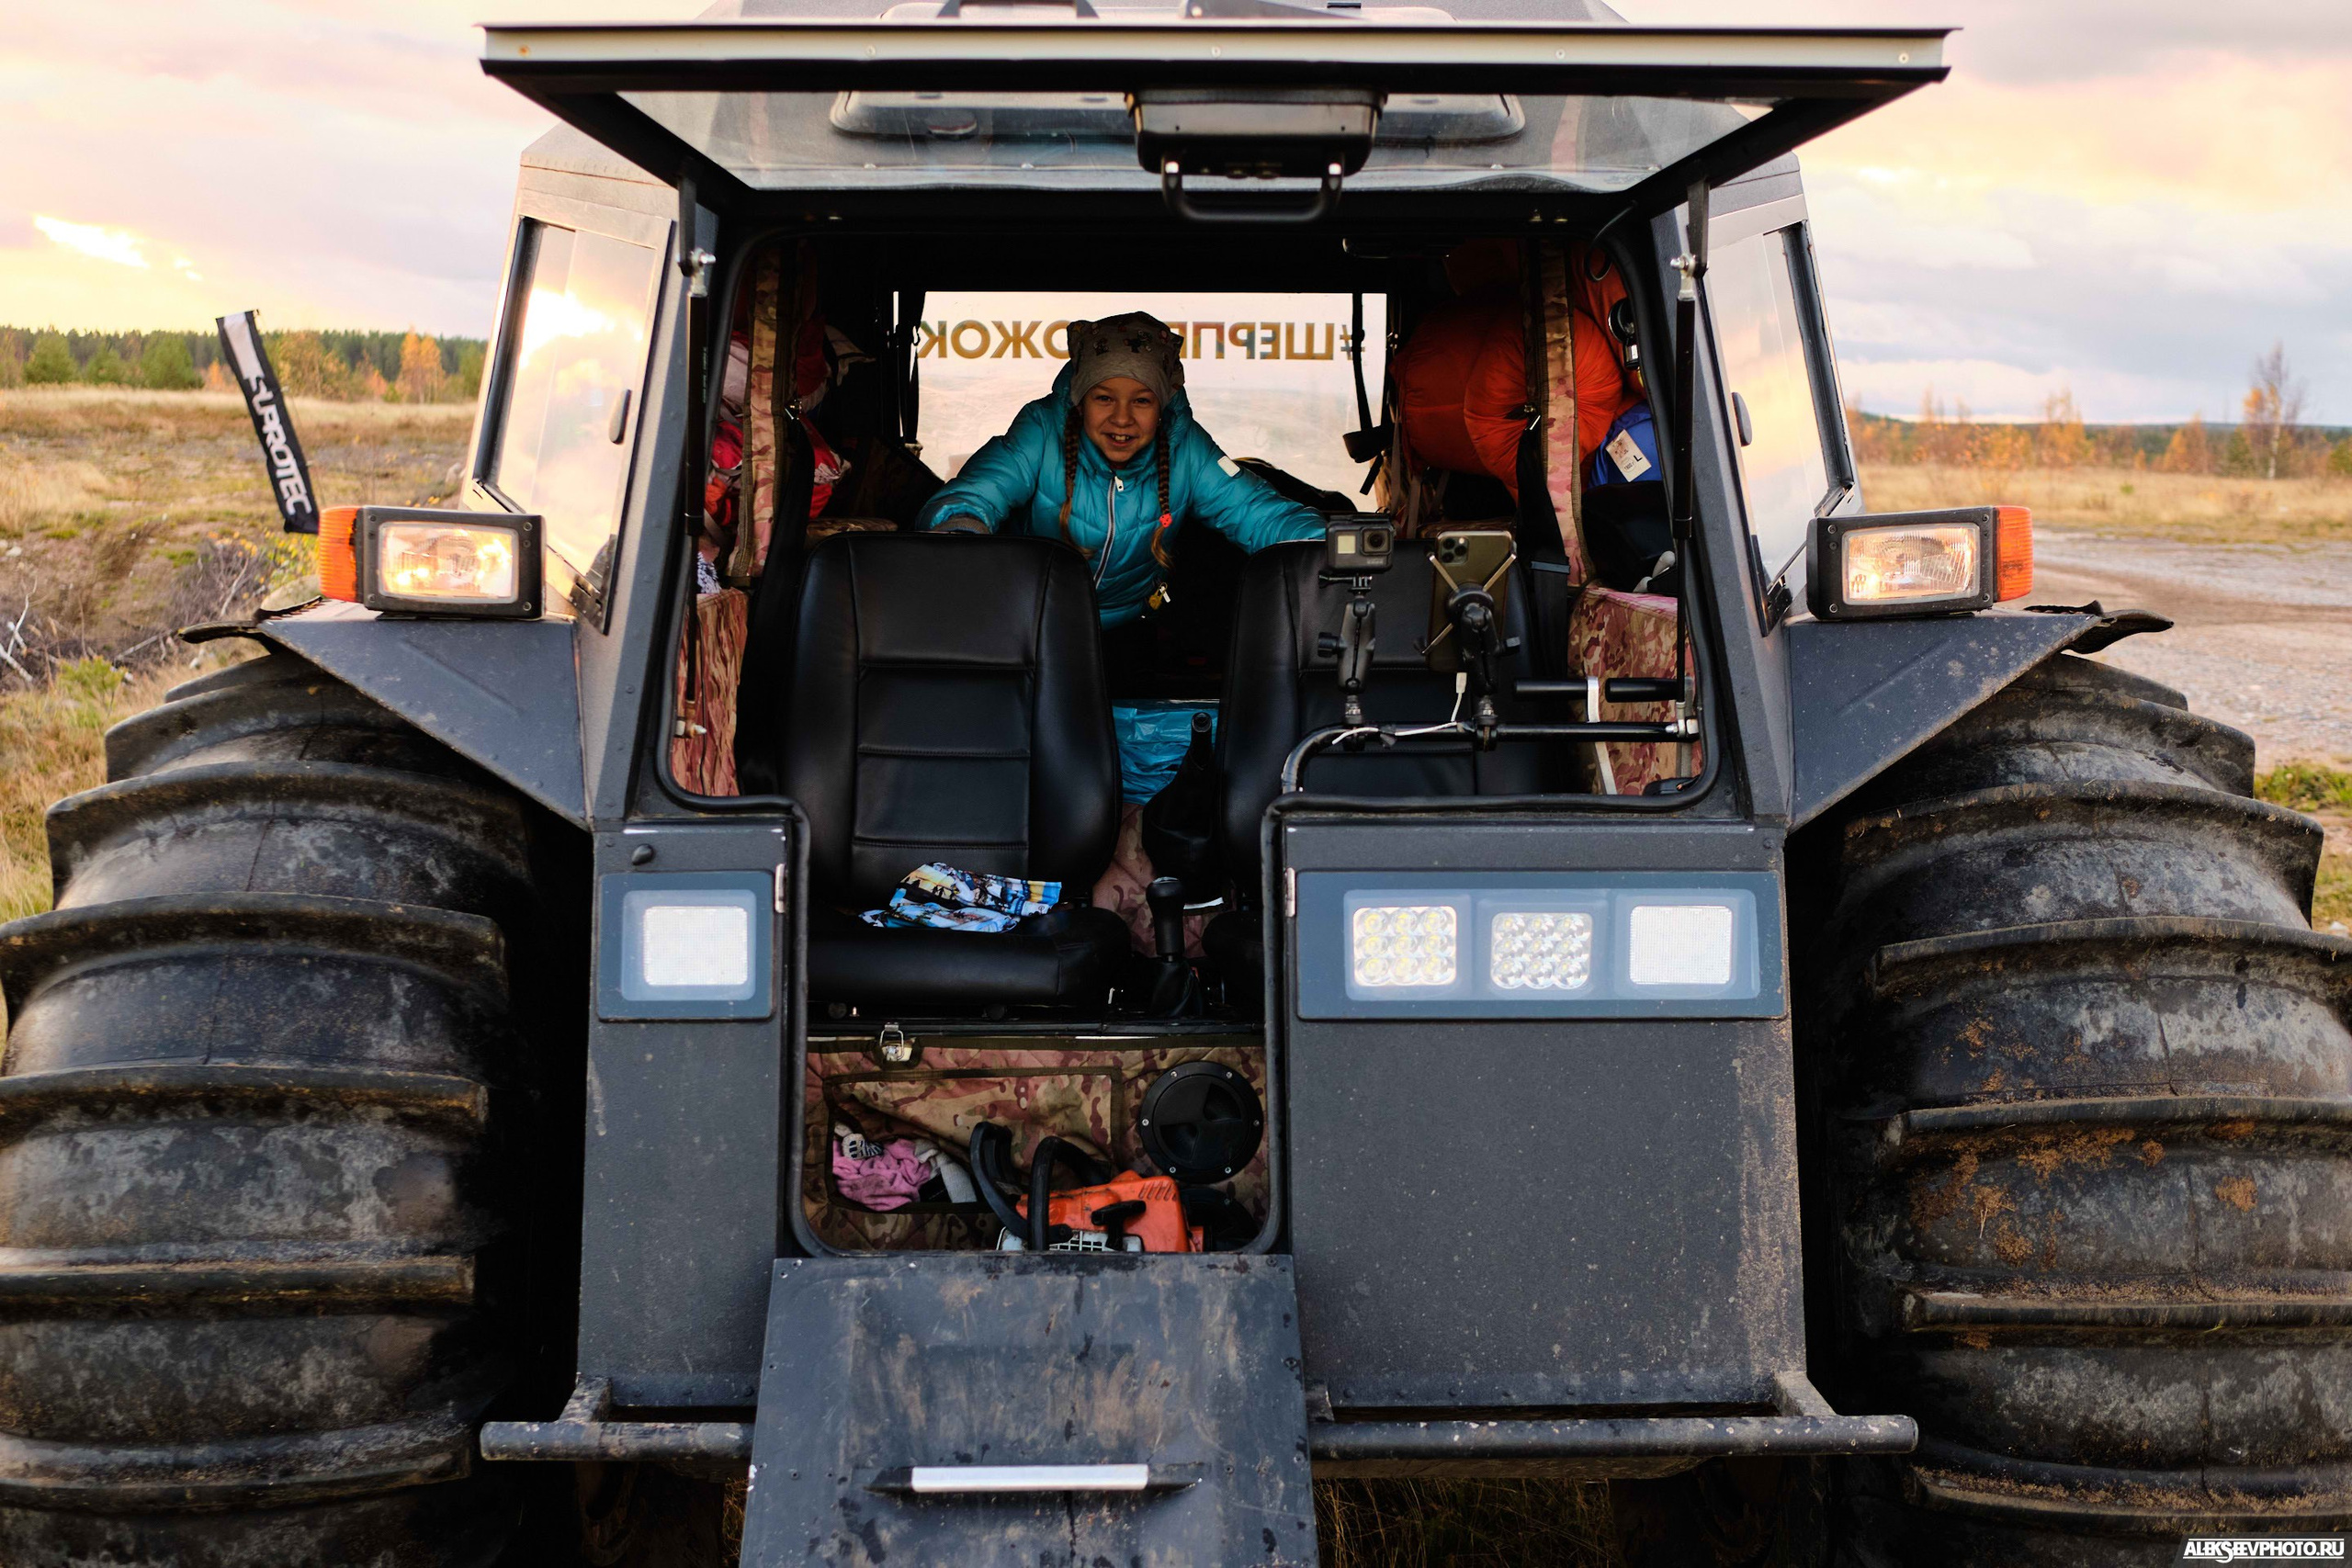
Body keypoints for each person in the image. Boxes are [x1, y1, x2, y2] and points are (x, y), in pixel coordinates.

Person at [917, 313, 1329, 642]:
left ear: (1162, 405)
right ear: (1080, 400)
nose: (1122, 418)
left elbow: (1259, 513)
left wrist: (1335, 547)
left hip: (1131, 628)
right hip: (1028, 624)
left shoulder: (1184, 448)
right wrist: (961, 540)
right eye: (1104, 398)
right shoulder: (1042, 431)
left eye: (1142, 400)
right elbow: (975, 495)